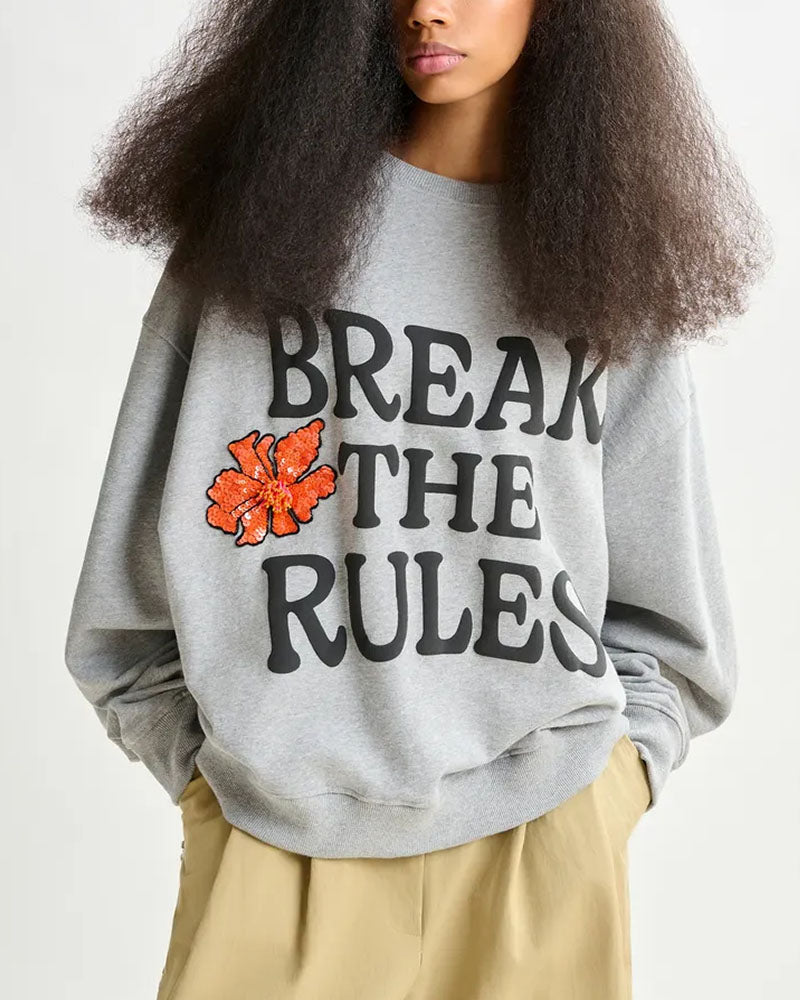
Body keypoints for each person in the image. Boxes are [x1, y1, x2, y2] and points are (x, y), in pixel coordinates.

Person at [64, 1, 771, 998]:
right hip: (276, 843)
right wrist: (213, 786)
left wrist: (610, 789)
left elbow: (670, 616)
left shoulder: (607, 258)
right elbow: (126, 600)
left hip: (543, 838)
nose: (425, 9)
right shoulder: (257, 233)